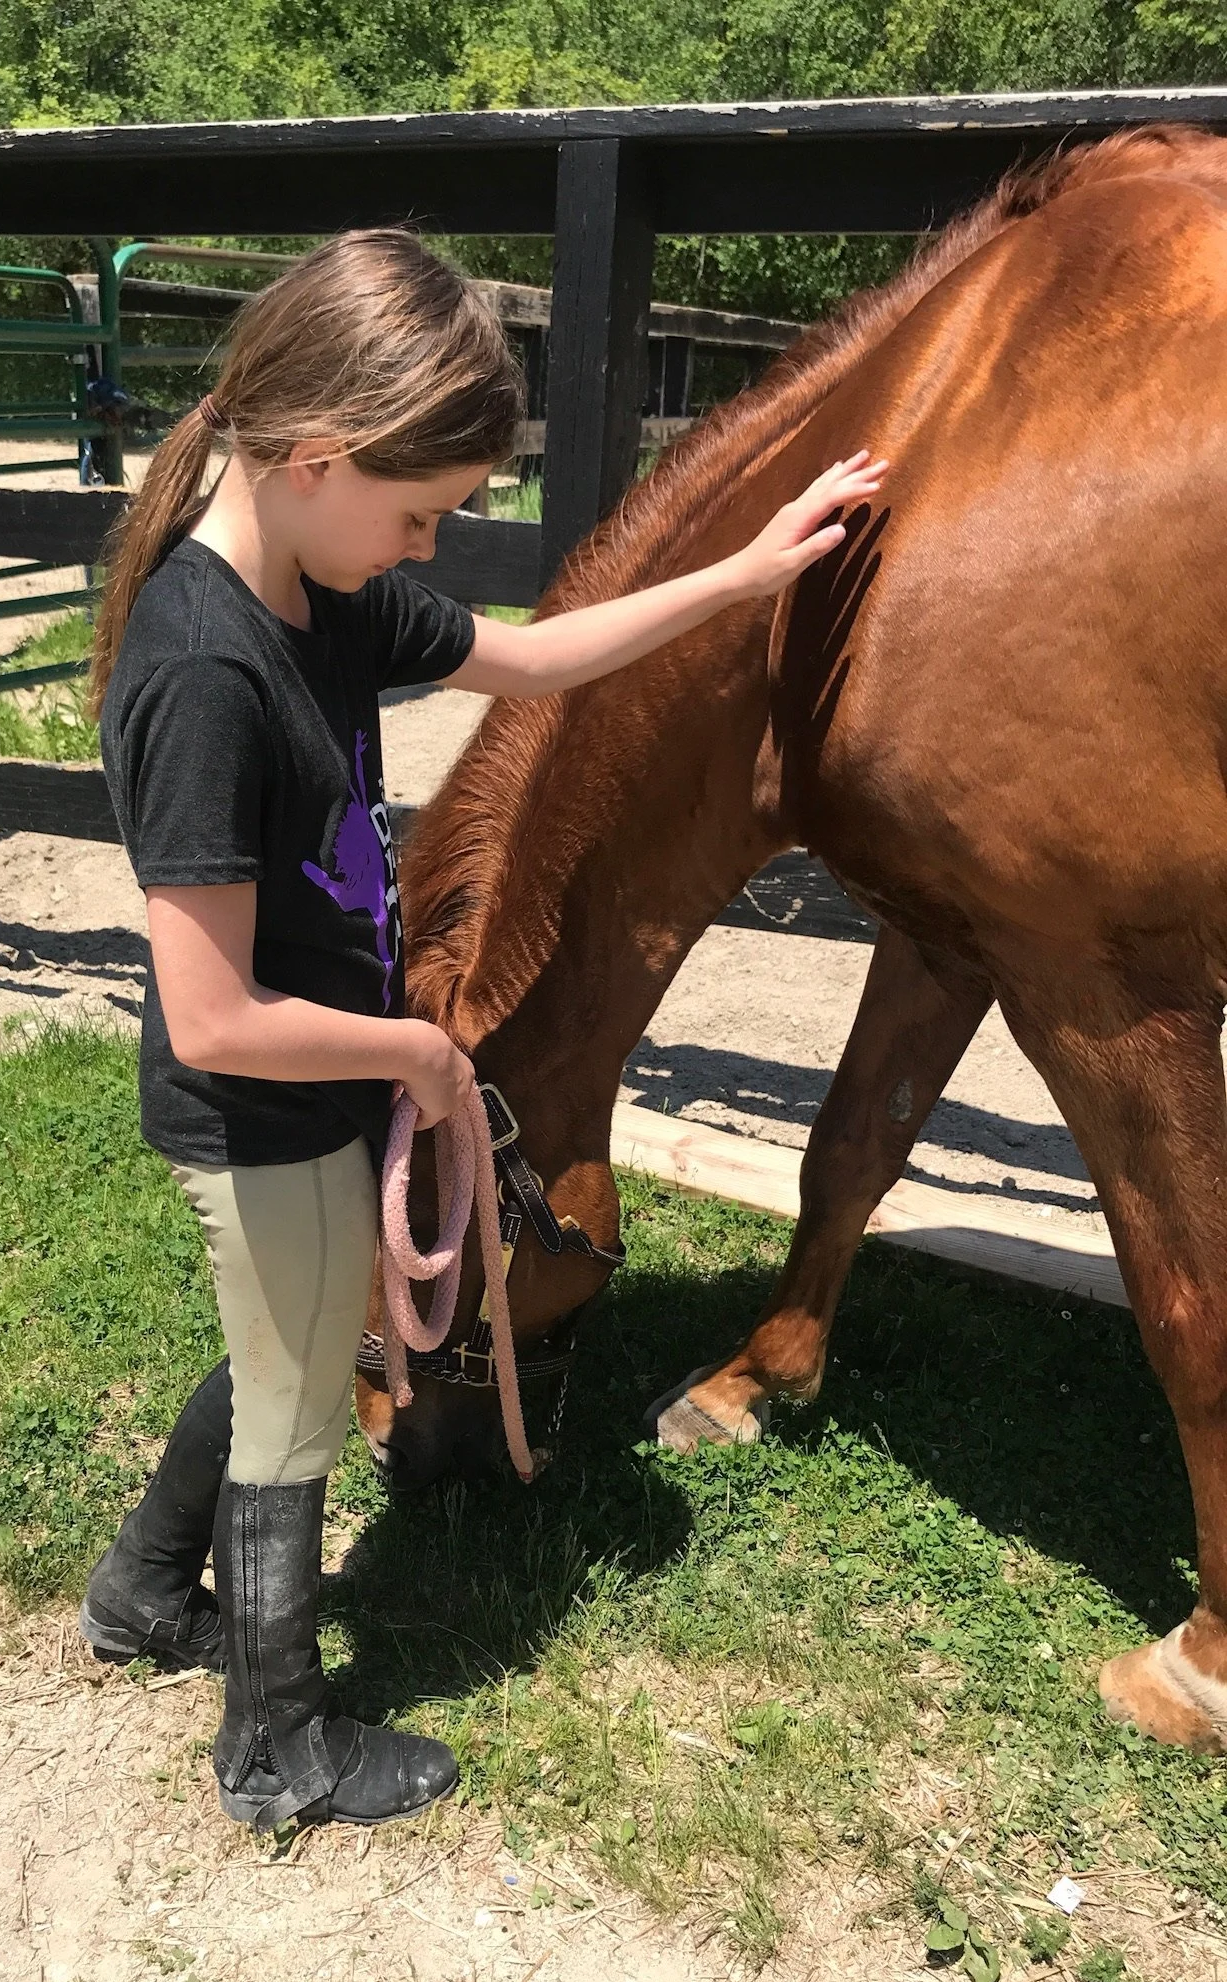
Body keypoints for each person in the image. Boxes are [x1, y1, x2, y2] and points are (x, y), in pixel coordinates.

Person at [80, 228, 887, 1834]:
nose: (431, 546)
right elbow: (211, 1010)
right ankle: (275, 1743)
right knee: (303, 1403)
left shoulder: (325, 585)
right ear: (314, 458)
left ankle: (137, 1596)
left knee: (280, 1353)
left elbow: (535, 661)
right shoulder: (205, 668)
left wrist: (747, 574)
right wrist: (421, 1058)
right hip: (264, 1099)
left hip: (311, 1091)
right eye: (422, 513)